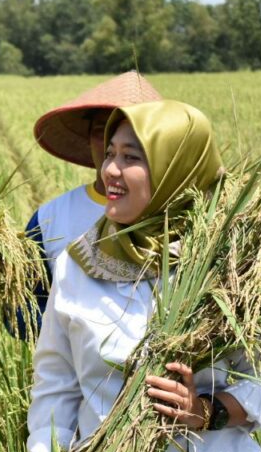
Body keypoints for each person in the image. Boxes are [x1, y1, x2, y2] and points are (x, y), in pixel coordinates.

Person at [28, 100, 261, 452]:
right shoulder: (77, 265)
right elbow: (56, 381)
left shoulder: (231, 265)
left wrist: (209, 411)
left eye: (132, 157)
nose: (110, 170)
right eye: (109, 153)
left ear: (178, 168)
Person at [14, 71, 161, 337]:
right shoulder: (49, 219)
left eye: (132, 138)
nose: (110, 145)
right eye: (101, 132)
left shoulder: (182, 215)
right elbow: (22, 312)